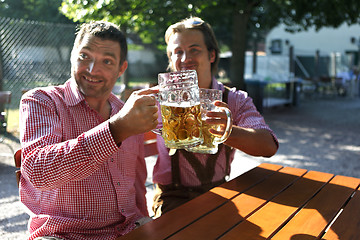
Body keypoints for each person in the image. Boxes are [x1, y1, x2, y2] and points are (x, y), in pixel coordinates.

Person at [19, 21, 158, 240]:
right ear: (72, 55)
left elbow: (137, 184)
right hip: (63, 234)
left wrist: (146, 226)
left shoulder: (126, 112)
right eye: (84, 56)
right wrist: (116, 130)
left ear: (122, 69)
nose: (93, 69)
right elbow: (38, 172)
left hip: (129, 229)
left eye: (107, 61)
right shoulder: (43, 101)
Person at [152, 17, 279, 217]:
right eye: (178, 52)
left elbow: (268, 146)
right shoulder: (158, 100)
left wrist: (228, 131)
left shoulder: (234, 99)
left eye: (194, 49)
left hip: (220, 194)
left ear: (211, 55)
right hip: (172, 199)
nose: (185, 59)